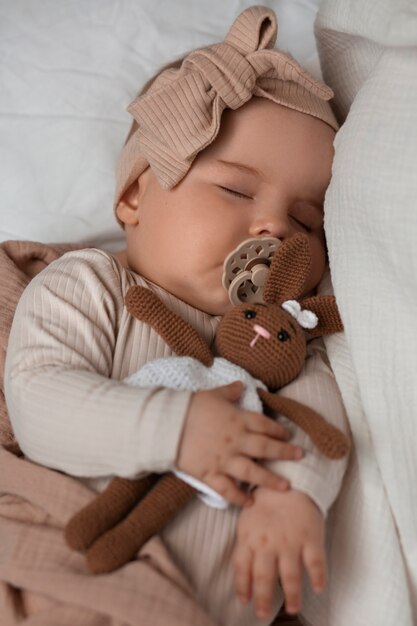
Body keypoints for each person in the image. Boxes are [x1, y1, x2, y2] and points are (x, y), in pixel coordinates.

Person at [4, 6, 348, 626]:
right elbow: (39, 402)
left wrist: (295, 497)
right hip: (75, 586)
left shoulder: (286, 341)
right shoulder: (91, 286)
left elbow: (323, 424)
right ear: (135, 194)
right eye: (236, 191)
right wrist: (173, 428)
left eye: (305, 221)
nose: (272, 228)